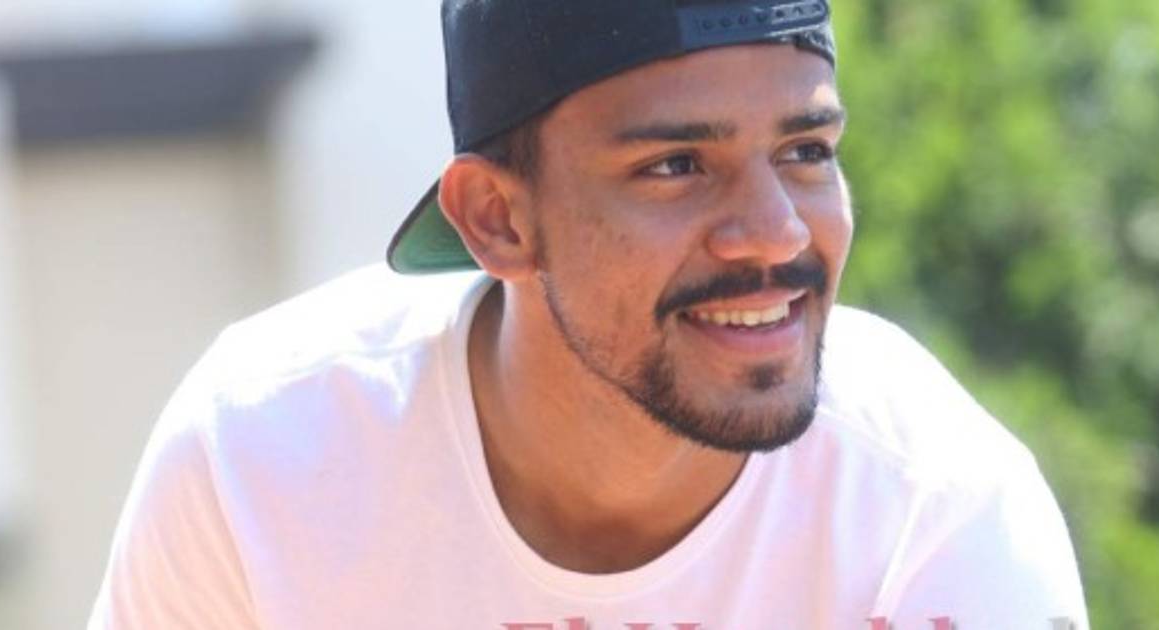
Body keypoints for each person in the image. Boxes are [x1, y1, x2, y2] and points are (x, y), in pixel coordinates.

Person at [89, 1, 1090, 628]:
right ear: (498, 219)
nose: (774, 233)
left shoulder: (929, 506)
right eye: (676, 166)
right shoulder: (262, 457)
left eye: (805, 153)